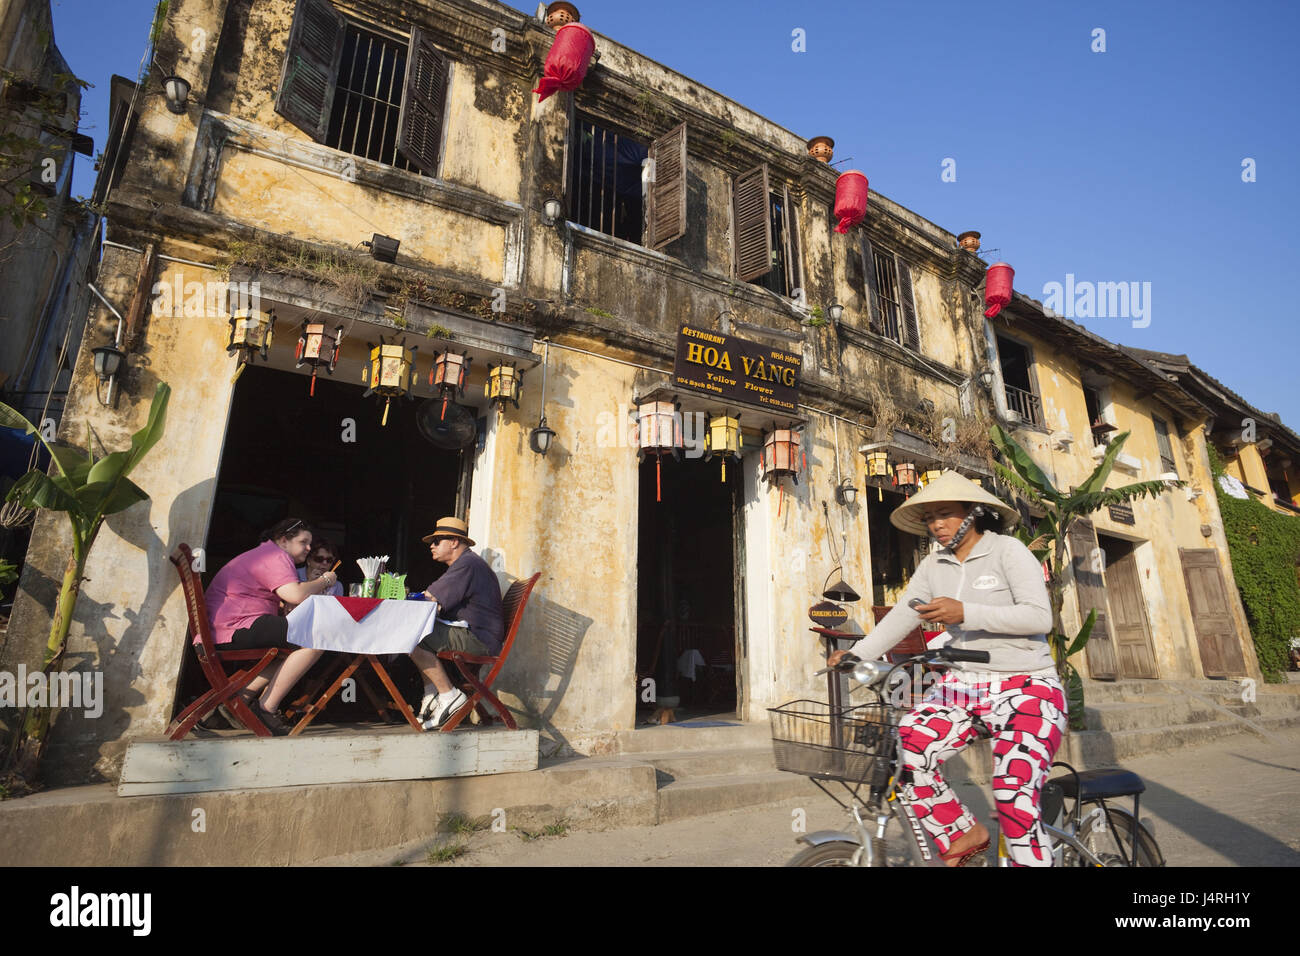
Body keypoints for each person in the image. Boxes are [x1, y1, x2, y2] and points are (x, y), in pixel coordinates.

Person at [826, 471, 1066, 867]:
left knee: (1013, 795)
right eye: (930, 518)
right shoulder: (933, 565)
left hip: (1028, 686)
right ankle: (962, 834)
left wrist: (966, 612)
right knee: (907, 749)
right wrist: (860, 654)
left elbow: (1039, 618)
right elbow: (904, 614)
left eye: (946, 515)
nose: (937, 525)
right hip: (965, 686)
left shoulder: (1008, 551)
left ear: (973, 514)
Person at [204, 517, 339, 735]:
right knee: (315, 637)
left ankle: (240, 698)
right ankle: (266, 708)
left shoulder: (266, 554)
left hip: (224, 626)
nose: (308, 548)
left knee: (291, 649)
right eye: (303, 542)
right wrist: (325, 580)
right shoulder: (274, 556)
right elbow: (294, 594)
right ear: (284, 540)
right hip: (234, 626)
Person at [410, 516, 504, 730]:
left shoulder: (467, 564)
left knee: (411, 634)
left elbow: (430, 598)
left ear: (454, 542)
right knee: (414, 632)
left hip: (479, 640)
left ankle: (448, 695)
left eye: (437, 541)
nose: (432, 546)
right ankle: (432, 694)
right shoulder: (466, 564)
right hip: (476, 635)